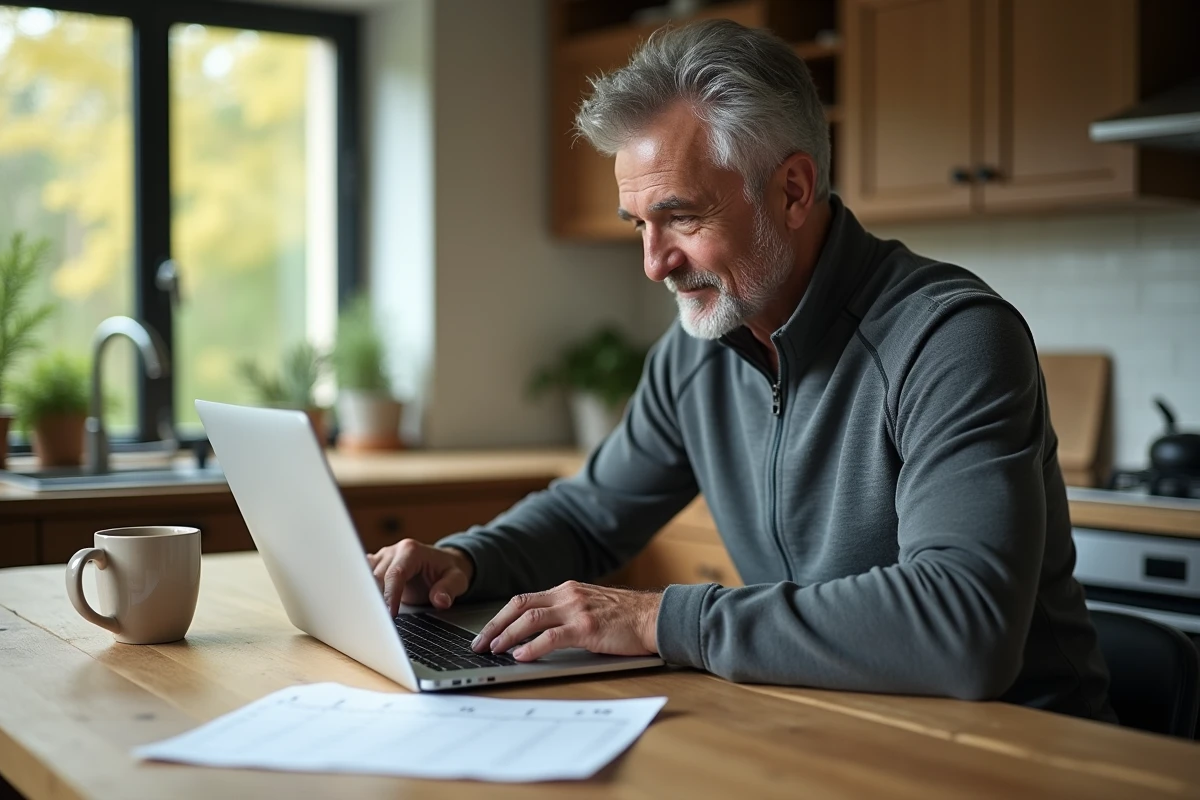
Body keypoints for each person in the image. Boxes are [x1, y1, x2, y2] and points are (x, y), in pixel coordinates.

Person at [366, 19, 1115, 721]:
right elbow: (591, 514)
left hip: (1023, 751)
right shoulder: (695, 352)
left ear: (792, 190)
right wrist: (465, 559)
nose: (655, 263)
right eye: (640, 225)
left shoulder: (951, 340)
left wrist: (661, 618)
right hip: (834, 723)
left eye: (682, 217)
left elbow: (965, 628)